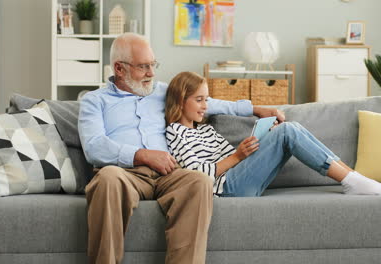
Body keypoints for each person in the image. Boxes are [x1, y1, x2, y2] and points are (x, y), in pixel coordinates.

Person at [78, 33, 281, 264]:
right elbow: (94, 146)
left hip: (169, 172)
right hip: (124, 173)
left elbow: (206, 101)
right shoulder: (95, 101)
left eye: (153, 65)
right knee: (108, 177)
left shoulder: (162, 91)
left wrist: (255, 109)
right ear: (120, 68)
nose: (151, 73)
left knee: (199, 181)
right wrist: (142, 155)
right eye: (144, 67)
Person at [165, 71, 381, 198]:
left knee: (285, 132)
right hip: (227, 189)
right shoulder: (174, 132)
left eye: (207, 99)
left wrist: (263, 143)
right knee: (288, 130)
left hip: (240, 179)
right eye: (199, 100)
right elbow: (196, 174)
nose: (206, 106)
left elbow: (237, 159)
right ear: (180, 100)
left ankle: (352, 178)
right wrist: (237, 156)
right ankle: (352, 181)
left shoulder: (206, 129)